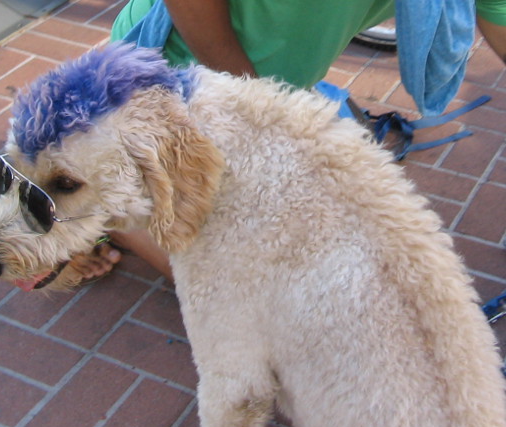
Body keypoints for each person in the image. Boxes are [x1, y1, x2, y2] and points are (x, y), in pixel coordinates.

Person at [71, 0, 506, 284]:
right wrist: (256, 111)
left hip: (273, 87)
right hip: (175, 76)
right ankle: (110, 214)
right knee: (234, 285)